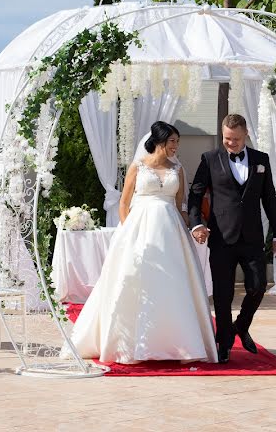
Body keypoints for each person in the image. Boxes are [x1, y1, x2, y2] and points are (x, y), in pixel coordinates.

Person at [68, 121, 217, 364]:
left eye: (177, 142)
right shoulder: (137, 167)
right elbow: (124, 203)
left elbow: (180, 206)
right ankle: (130, 345)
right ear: (159, 141)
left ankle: (181, 345)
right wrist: (129, 232)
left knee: (174, 284)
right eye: (172, 142)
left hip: (171, 232)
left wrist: (192, 228)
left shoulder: (177, 169)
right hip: (139, 229)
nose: (176, 146)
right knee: (137, 282)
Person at [188, 114, 276, 364]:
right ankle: (225, 344)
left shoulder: (261, 160)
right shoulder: (209, 159)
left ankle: (240, 326)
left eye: (236, 139)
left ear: (246, 136)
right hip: (221, 237)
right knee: (222, 294)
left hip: (252, 237)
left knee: (258, 286)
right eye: (226, 138)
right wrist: (197, 223)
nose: (230, 143)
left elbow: (270, 200)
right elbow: (196, 194)